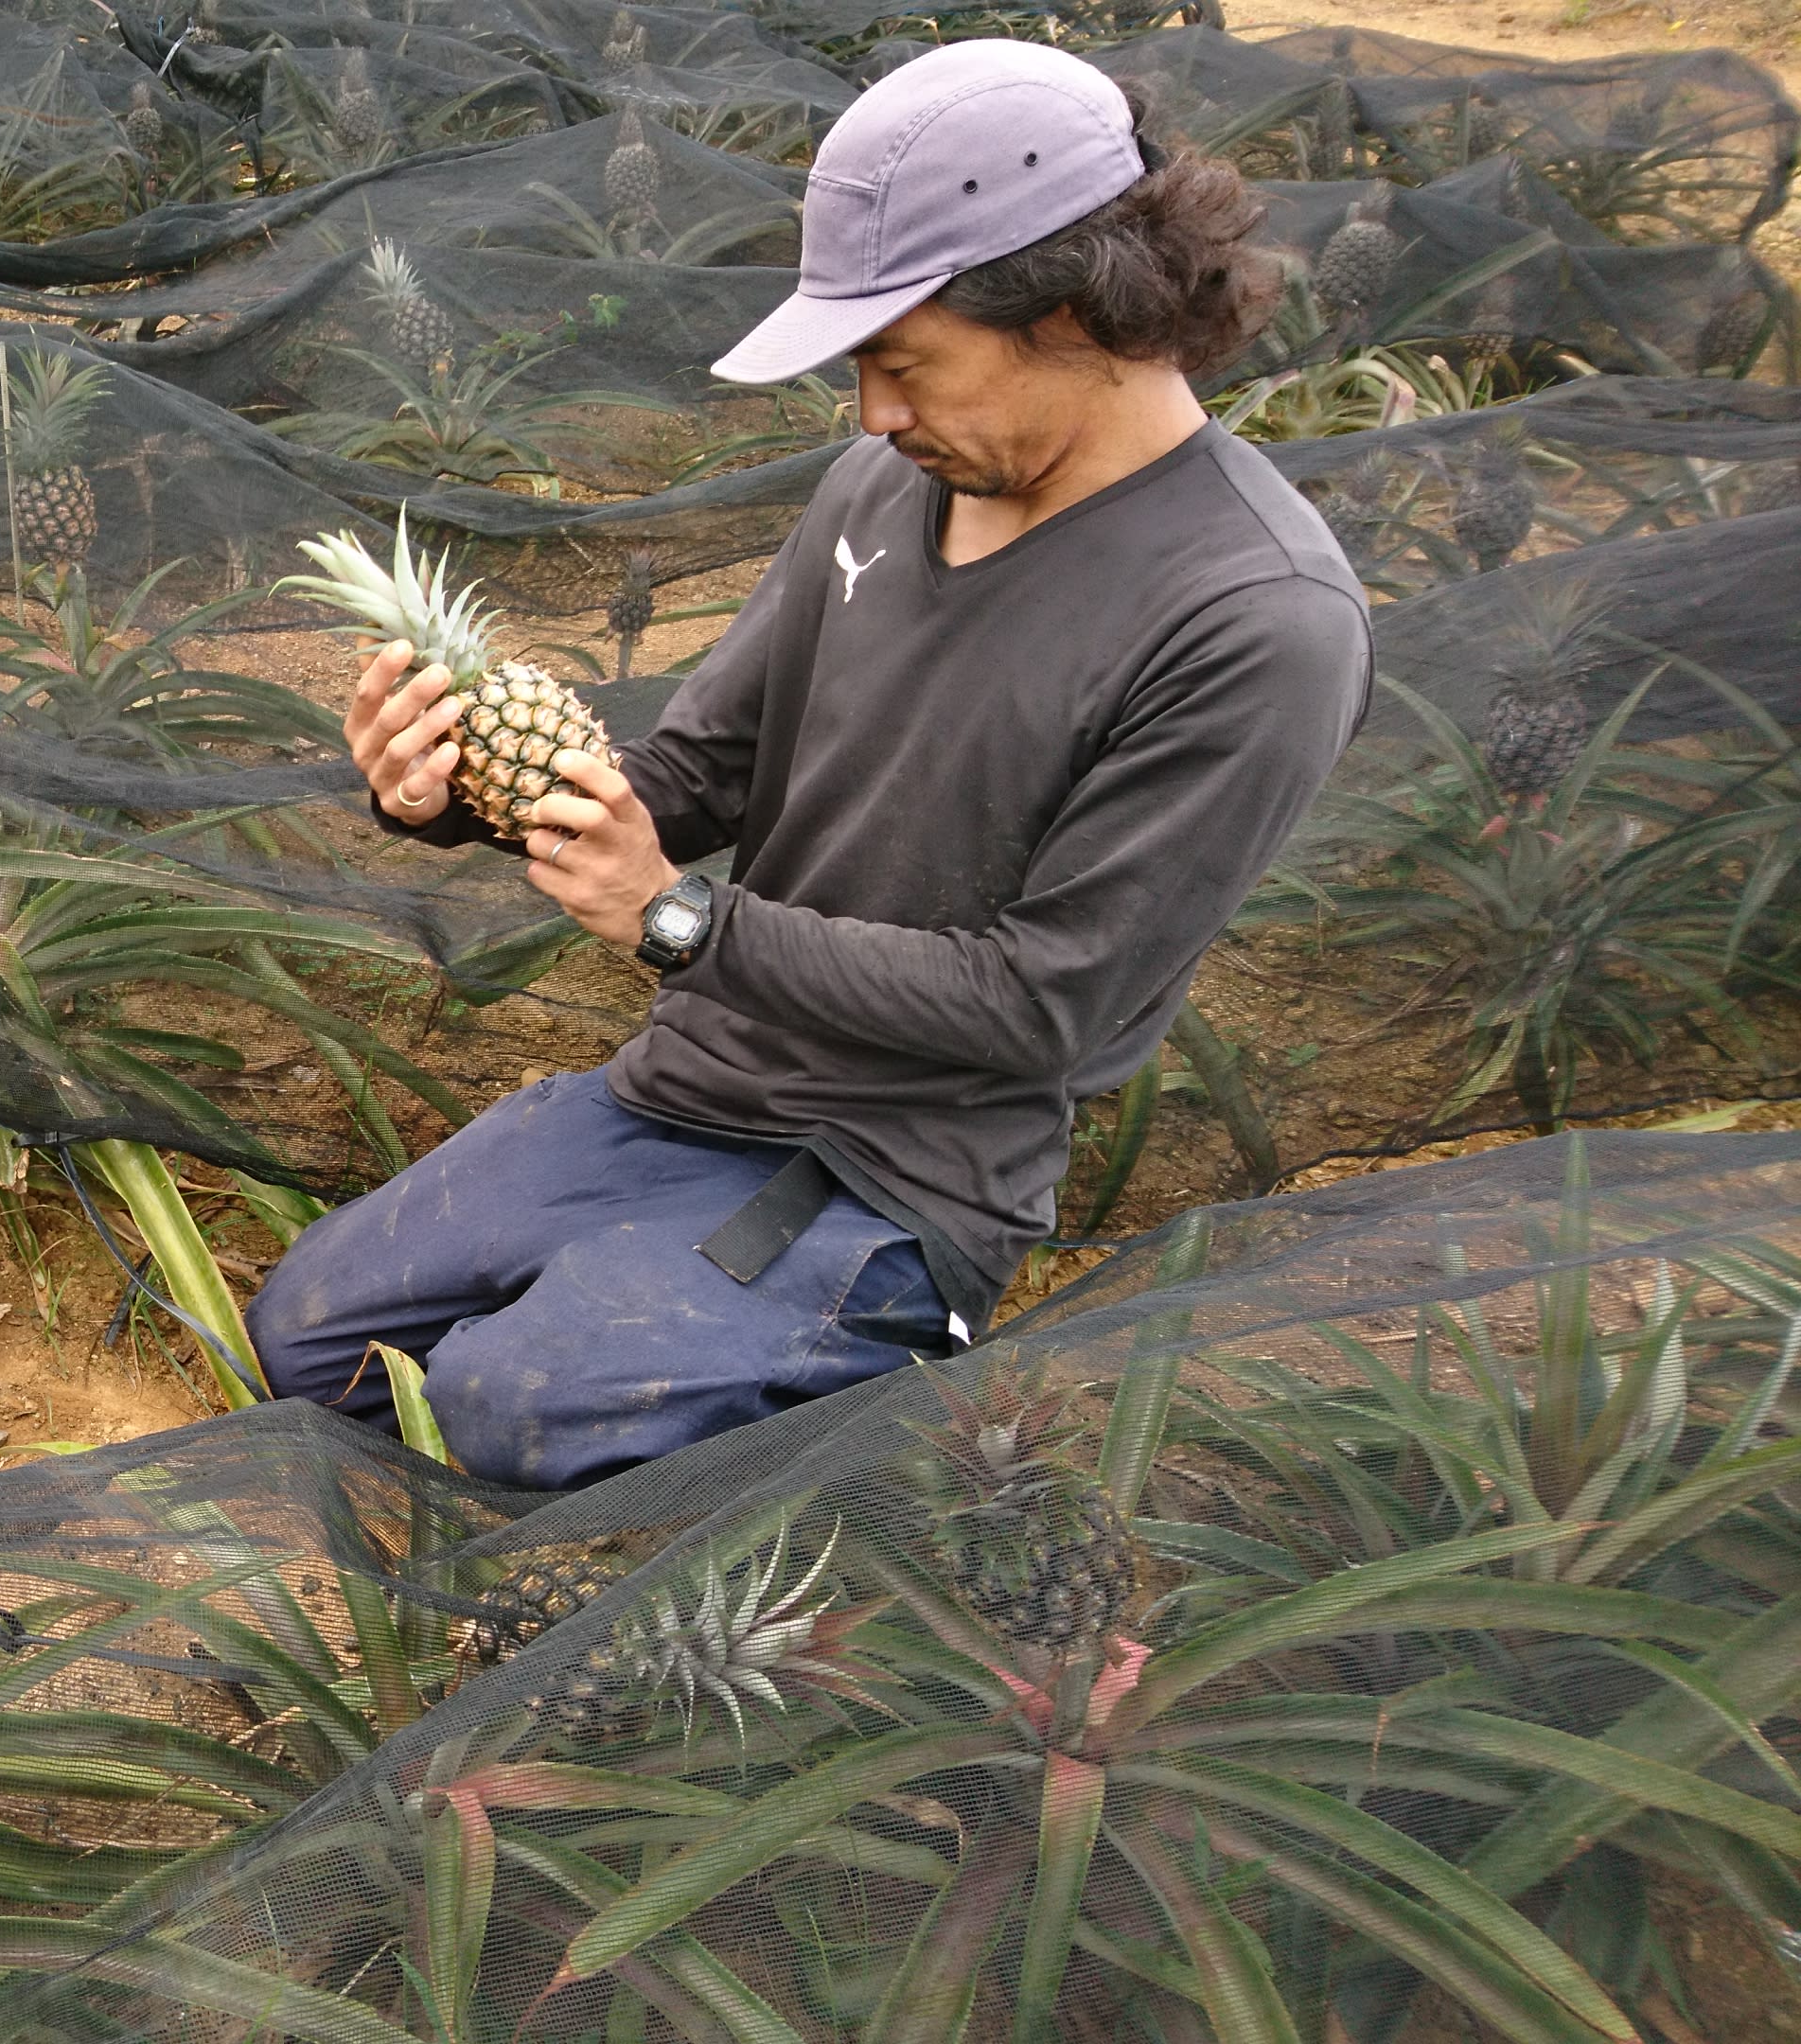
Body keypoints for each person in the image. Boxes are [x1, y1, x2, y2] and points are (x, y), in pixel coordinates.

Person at [243, 40, 1372, 1489]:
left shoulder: (1255, 618)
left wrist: (680, 922)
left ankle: (861, 1400)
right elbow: (704, 772)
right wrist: (451, 793)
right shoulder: (882, 485)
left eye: (903, 363)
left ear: (1079, 308)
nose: (874, 416)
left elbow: (1044, 1011)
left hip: (892, 1177)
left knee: (499, 1414)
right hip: (694, 1086)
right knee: (310, 1340)